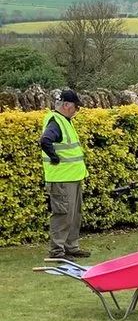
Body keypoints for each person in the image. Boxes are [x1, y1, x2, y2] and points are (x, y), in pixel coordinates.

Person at [39, 89, 89, 259]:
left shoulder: (64, 121)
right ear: (67, 105)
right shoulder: (55, 122)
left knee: (74, 215)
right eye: (77, 107)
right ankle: (57, 251)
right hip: (61, 178)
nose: (77, 110)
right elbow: (45, 140)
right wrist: (54, 158)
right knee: (63, 215)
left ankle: (71, 246)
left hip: (72, 177)